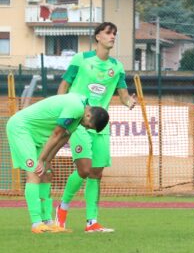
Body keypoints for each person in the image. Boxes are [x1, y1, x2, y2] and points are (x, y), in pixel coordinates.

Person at [55, 22, 137, 233]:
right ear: (97, 36)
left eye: (114, 34)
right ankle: (62, 209)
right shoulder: (80, 60)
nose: (112, 37)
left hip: (100, 125)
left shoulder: (117, 67)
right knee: (84, 169)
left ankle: (91, 222)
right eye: (108, 33)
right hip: (79, 121)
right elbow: (64, 85)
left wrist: (129, 102)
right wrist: (61, 110)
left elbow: (123, 94)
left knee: (96, 172)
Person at [6, 93, 109, 233]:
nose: (86, 128)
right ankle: (36, 223)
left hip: (35, 134)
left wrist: (47, 161)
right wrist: (41, 160)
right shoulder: (76, 107)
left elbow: (63, 138)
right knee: (35, 172)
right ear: (89, 116)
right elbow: (56, 133)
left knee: (46, 174)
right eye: (89, 126)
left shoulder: (79, 114)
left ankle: (48, 222)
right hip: (21, 129)